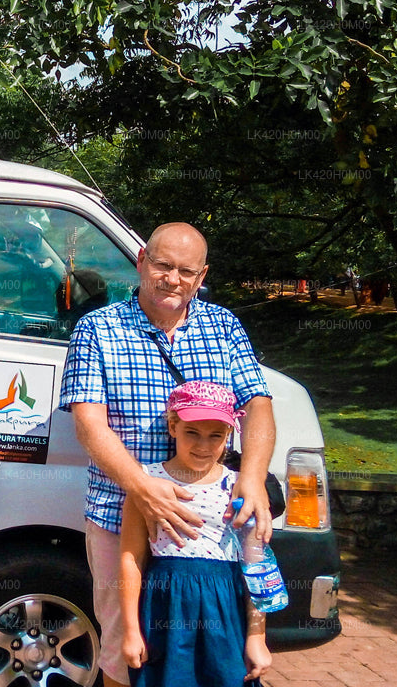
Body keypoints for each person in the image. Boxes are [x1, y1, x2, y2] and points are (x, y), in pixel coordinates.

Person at [58, 222, 274, 687]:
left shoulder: (225, 325)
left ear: (201, 276)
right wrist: (143, 489)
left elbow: (258, 406)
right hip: (121, 515)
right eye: (162, 265)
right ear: (141, 262)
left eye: (185, 270)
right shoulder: (98, 328)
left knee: (213, 652)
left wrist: (253, 477)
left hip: (211, 528)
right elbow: (88, 423)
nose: (172, 278)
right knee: (124, 650)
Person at [119, 380, 272, 687]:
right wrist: (131, 631)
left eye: (215, 436)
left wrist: (257, 636)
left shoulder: (241, 487)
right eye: (192, 432)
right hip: (166, 608)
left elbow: (257, 564)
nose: (203, 445)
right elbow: (131, 558)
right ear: (173, 426)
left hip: (226, 610)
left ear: (229, 435)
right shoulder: (147, 483)